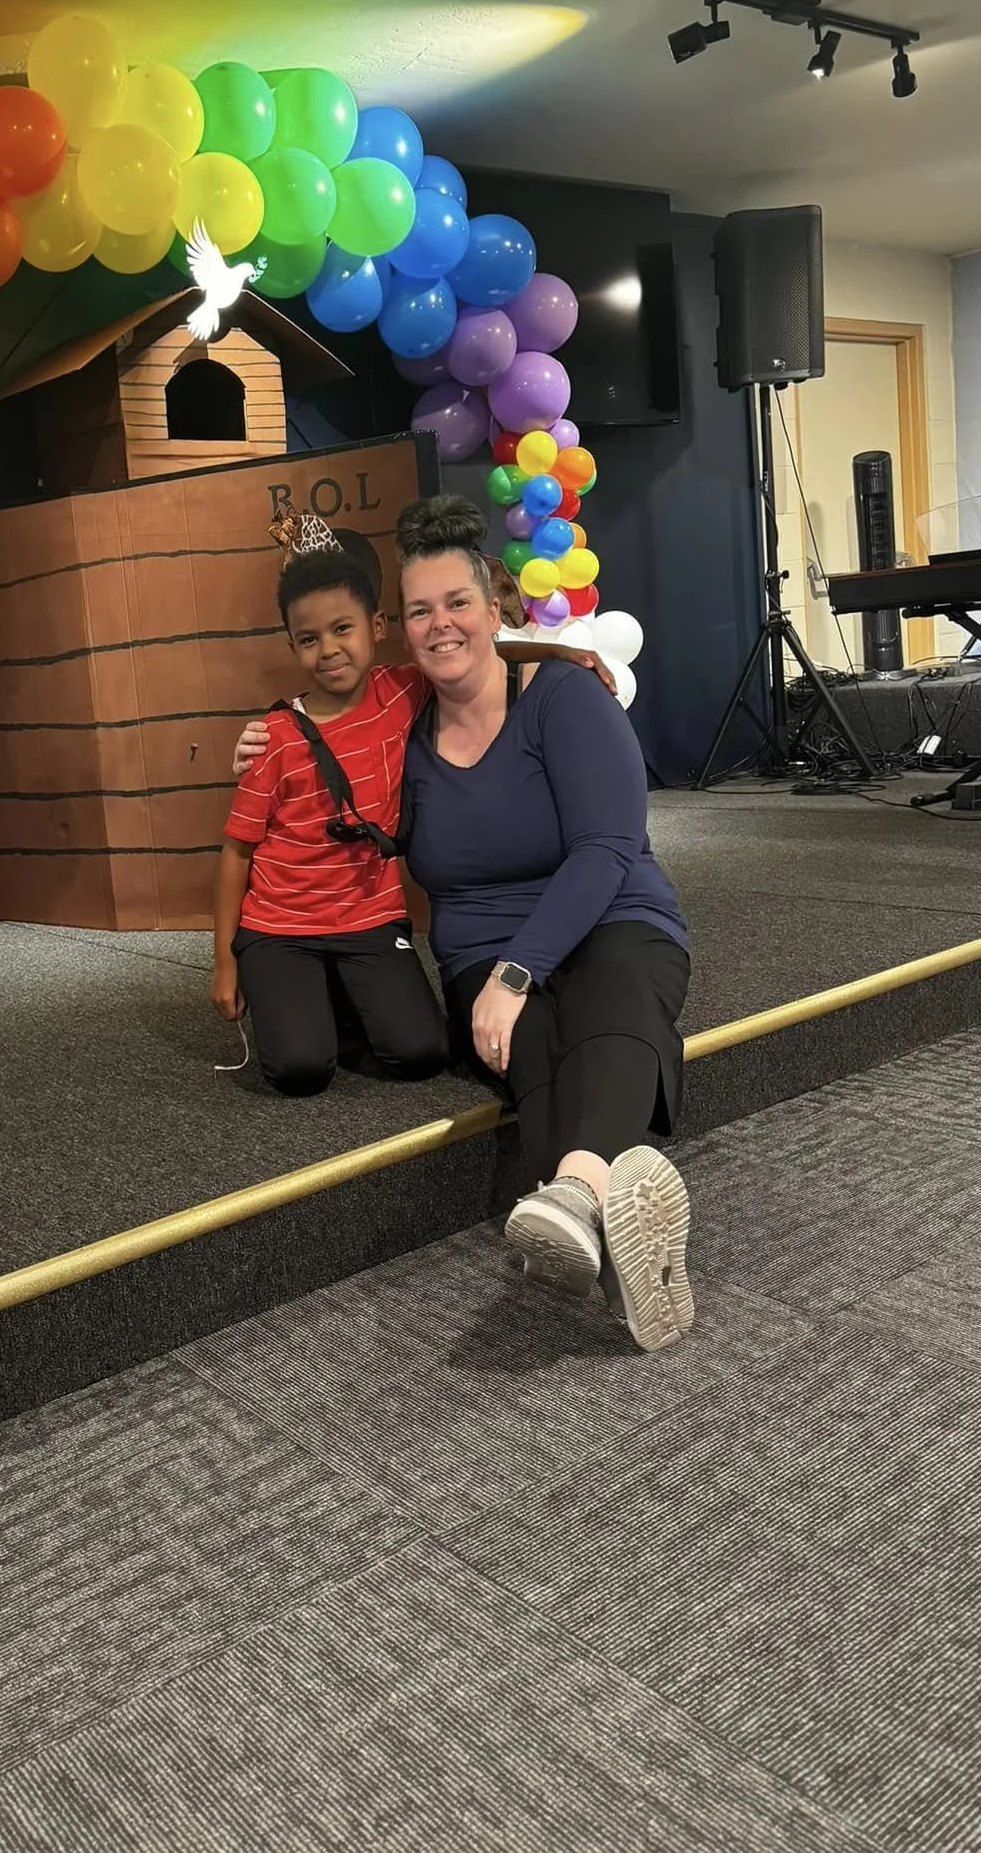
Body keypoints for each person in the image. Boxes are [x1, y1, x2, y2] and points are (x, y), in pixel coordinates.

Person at [234, 498, 694, 1353]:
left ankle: (578, 1191)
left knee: (613, 995)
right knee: (538, 1048)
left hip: (609, 913)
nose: (439, 624)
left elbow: (605, 848)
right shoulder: (401, 730)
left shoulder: (565, 698)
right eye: (419, 611)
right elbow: (315, 746)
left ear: (495, 607)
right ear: (401, 629)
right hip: (478, 950)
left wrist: (520, 973)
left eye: (456, 603)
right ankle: (614, 1215)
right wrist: (259, 747)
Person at [212, 517, 450, 1097]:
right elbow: (236, 852)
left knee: (421, 1054)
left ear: (376, 625)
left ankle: (337, 995)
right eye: (309, 639)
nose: (329, 650)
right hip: (279, 925)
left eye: (343, 629)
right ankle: (303, 997)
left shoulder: (403, 690)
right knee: (299, 1072)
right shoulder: (274, 736)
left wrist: (570, 655)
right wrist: (223, 962)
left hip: (369, 917)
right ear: (292, 646)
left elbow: (485, 658)